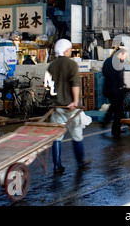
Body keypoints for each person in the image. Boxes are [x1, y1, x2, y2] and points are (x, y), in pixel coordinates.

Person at [44, 38, 91, 175]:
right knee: (76, 134)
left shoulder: (51, 65)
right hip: (70, 107)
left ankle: (57, 166)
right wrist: (75, 101)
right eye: (70, 49)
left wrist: (52, 100)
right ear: (65, 50)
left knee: (57, 137)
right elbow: (75, 84)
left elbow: (48, 85)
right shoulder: (71, 64)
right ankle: (80, 161)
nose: (70, 52)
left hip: (56, 107)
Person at [101, 47, 128, 137]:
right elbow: (120, 76)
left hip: (108, 88)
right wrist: (123, 86)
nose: (125, 58)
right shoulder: (118, 62)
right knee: (118, 110)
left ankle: (106, 122)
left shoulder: (107, 60)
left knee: (113, 106)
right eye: (125, 56)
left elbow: (103, 72)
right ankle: (115, 130)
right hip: (117, 90)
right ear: (120, 54)